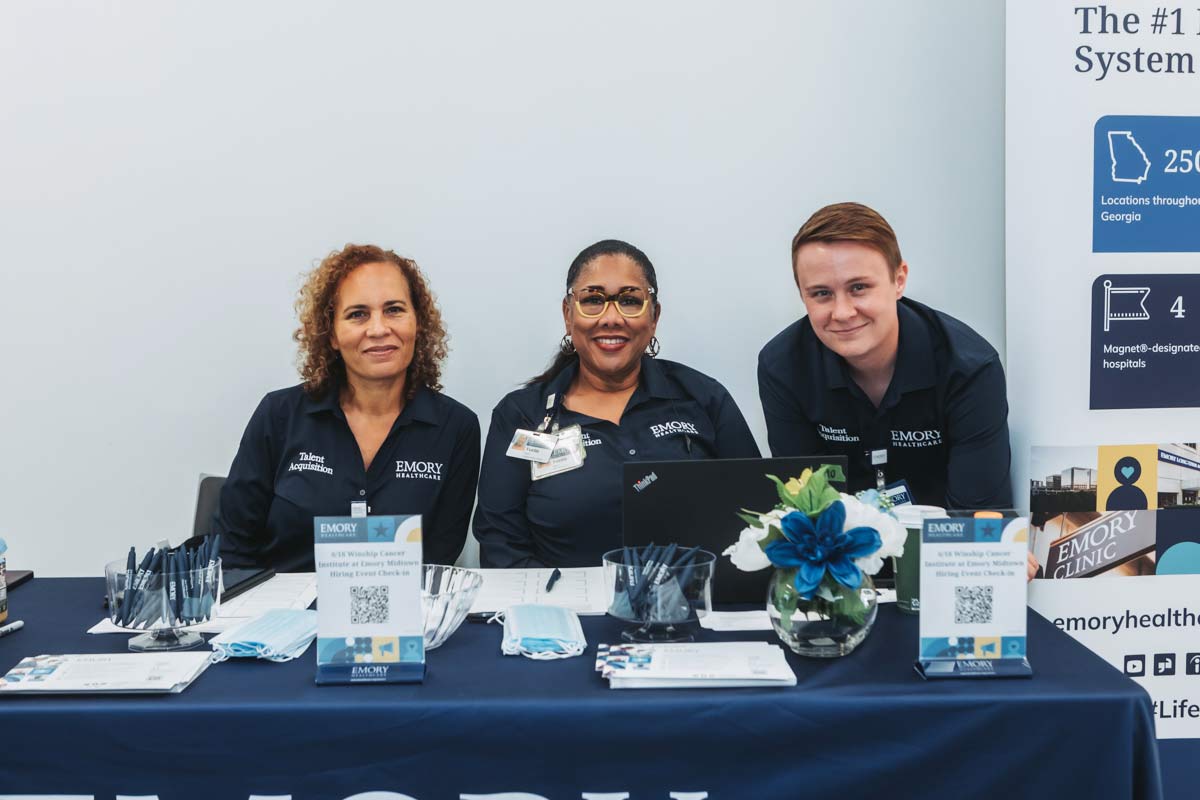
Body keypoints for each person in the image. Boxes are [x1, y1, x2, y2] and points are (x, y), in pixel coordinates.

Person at [474, 240, 761, 568]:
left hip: (694, 607)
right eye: (593, 300)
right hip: (566, 611)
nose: (611, 318)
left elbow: (755, 516)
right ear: (569, 315)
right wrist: (556, 612)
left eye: (629, 300)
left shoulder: (703, 399)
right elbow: (501, 545)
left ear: (654, 316)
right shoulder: (522, 416)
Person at [214, 244, 480, 572]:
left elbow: (438, 559)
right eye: (358, 314)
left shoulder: (457, 428)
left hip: (402, 617)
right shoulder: (278, 415)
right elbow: (233, 549)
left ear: (418, 323)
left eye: (394, 309)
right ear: (332, 335)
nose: (379, 328)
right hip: (281, 615)